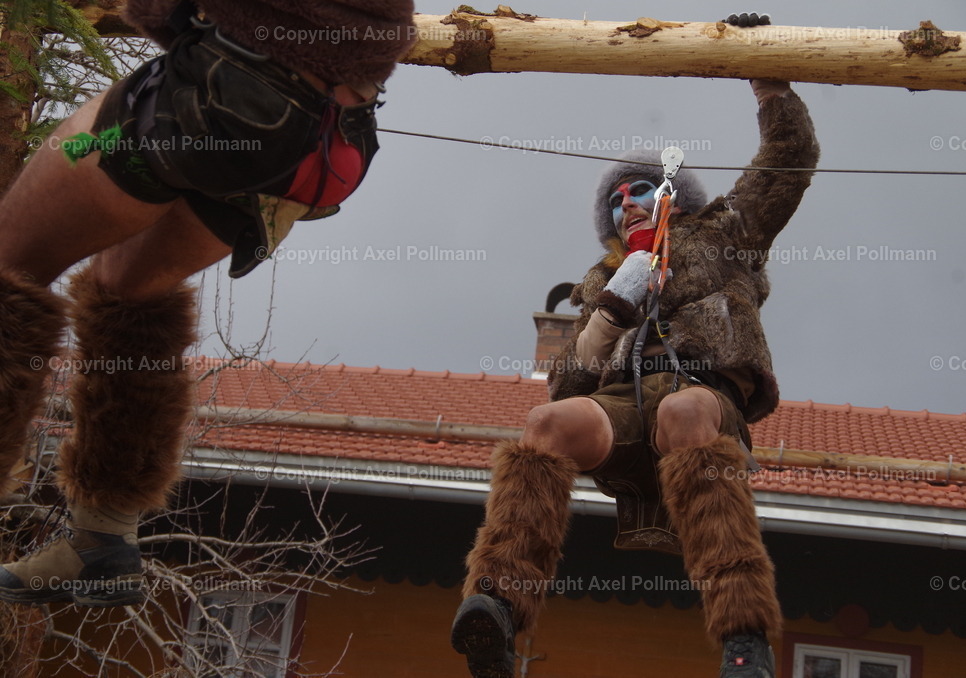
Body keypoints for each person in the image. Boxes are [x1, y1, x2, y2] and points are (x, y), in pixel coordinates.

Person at [0, 0, 414, 606]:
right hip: (325, 143)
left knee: (11, 262)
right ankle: (103, 540)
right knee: (129, 293)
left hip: (226, 102)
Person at [450, 39, 819, 678]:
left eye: (641, 189)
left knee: (681, 411)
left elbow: (790, 159)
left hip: (704, 394)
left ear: (675, 196)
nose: (627, 203)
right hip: (625, 401)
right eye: (617, 199)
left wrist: (770, 88)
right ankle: (499, 610)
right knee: (546, 429)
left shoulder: (726, 233)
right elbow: (565, 388)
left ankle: (744, 637)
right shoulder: (603, 276)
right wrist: (612, 310)